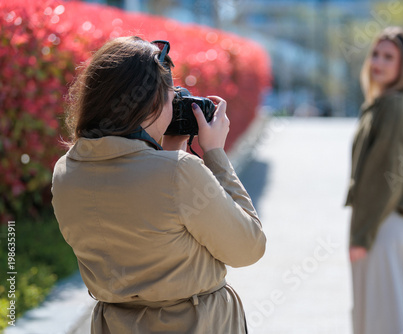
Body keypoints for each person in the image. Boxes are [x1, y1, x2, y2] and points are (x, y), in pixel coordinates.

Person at [51, 36, 266, 334]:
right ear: (151, 101)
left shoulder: (66, 172)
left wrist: (168, 152)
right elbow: (248, 247)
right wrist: (215, 153)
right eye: (170, 94)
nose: (174, 101)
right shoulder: (180, 174)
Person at [345, 26, 403, 334]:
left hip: (380, 225)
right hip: (386, 225)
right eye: (375, 54)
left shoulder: (392, 106)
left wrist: (361, 235)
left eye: (388, 57)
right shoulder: (386, 103)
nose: (378, 63)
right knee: (376, 317)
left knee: (381, 322)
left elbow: (384, 180)